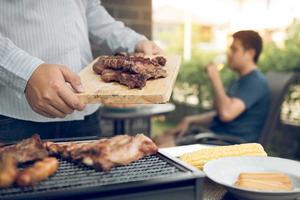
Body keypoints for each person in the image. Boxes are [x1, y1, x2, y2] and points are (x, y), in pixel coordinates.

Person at [0, 1, 162, 142]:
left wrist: (134, 41)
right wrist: (25, 72)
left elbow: (91, 10)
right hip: (16, 116)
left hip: (85, 113)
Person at [156, 30, 270, 147]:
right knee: (160, 138)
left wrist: (215, 78)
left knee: (161, 146)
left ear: (250, 53)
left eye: (234, 49)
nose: (229, 53)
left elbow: (226, 113)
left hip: (228, 143)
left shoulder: (255, 81)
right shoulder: (241, 80)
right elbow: (219, 114)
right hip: (215, 136)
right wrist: (190, 119)